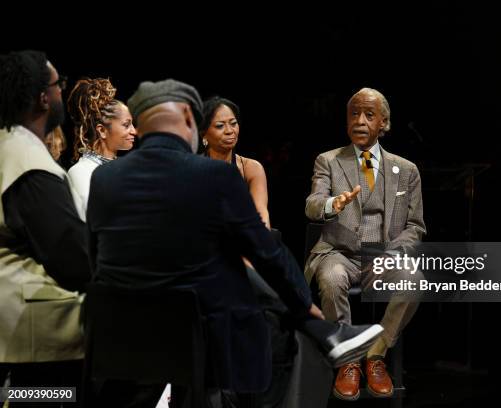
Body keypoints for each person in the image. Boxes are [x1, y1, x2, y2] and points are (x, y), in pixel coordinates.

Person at [86, 79, 383, 406]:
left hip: (119, 332)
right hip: (192, 333)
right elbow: (267, 252)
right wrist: (305, 308)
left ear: (140, 126)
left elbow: (95, 257)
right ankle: (323, 333)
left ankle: (322, 332)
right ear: (189, 118)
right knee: (260, 309)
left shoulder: (104, 179)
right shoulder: (213, 175)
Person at [305, 87, 426, 400]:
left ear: (383, 123)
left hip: (383, 256)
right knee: (331, 280)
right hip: (339, 253)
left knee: (414, 280)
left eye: (368, 115)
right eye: (354, 114)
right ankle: (347, 362)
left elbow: (415, 227)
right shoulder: (328, 161)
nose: (359, 120)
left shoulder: (407, 170)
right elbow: (313, 204)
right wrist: (334, 204)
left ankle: (375, 353)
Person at [0, 50, 91, 406]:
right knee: (45, 399)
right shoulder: (29, 161)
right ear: (42, 98)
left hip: (16, 328)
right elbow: (71, 258)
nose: (60, 94)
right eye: (58, 86)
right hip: (34, 341)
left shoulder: (9, 147)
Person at [66, 78, 136, 216]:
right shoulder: (81, 172)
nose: (134, 131)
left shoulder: (127, 168)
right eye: (126, 125)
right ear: (102, 130)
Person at [201, 96, 270, 228]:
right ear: (203, 133)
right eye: (220, 126)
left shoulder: (251, 168)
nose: (229, 131)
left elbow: (260, 213)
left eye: (233, 123)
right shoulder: (190, 168)